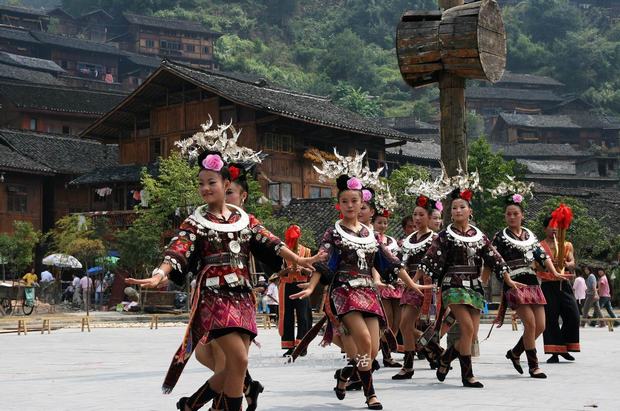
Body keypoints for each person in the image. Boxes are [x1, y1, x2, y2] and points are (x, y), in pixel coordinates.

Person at [125, 120, 324, 411]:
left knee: (235, 366)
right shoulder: (195, 222)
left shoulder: (245, 220)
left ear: (226, 184)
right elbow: (178, 249)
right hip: (213, 297)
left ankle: (199, 405)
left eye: (212, 182)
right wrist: (160, 274)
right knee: (239, 360)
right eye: (201, 183)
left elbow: (271, 243)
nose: (205, 188)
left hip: (243, 295)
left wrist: (299, 259)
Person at [291, 151, 425, 410]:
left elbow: (390, 262)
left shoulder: (369, 234)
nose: (351, 206)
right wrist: (311, 286)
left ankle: (345, 375)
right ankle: (370, 394)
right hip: (344, 292)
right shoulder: (333, 231)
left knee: (372, 350)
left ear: (363, 204)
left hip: (368, 292)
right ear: (338, 204)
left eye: (356, 202)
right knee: (363, 339)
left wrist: (412, 284)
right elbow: (323, 258)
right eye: (346, 201)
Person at [418, 175, 510, 388]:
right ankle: (467, 375)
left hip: (475, 285)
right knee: (467, 328)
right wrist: (413, 280)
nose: (457, 211)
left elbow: (494, 257)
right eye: (454, 208)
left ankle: (446, 357)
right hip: (453, 284)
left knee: (473, 333)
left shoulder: (479, 235)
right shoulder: (444, 236)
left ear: (470, 211)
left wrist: (508, 278)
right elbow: (430, 258)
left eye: (462, 207)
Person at [490, 186, 564, 379]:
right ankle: (534, 366)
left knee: (541, 326)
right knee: (530, 324)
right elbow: (496, 261)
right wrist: (506, 279)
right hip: (514, 283)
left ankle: (515, 353)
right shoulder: (500, 237)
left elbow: (541, 255)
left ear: (522, 215)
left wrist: (555, 271)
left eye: (515, 213)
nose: (512, 217)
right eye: (508, 214)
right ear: (505, 216)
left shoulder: (530, 236)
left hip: (532, 282)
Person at [394, 191, 443, 380]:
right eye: (415, 214)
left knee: (408, 323)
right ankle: (433, 349)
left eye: (421, 215)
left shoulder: (436, 239)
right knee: (404, 324)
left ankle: (412, 363)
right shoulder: (408, 240)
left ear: (430, 217)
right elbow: (401, 261)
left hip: (426, 284)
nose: (417, 218)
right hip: (410, 283)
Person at [538, 214, 580, 363]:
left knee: (574, 316)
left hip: (564, 284)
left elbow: (572, 262)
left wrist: (566, 264)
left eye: (557, 226)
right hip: (548, 285)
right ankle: (554, 352)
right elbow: (536, 266)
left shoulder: (567, 244)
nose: (554, 229)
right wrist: (548, 265)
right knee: (550, 319)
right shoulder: (540, 246)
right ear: (545, 228)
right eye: (551, 226)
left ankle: (563, 347)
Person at [372, 204, 404, 368]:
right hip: (382, 285)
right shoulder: (370, 239)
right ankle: (385, 355)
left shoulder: (392, 242)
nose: (382, 225)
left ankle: (389, 351)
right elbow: (374, 264)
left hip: (396, 285)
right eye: (379, 222)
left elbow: (397, 263)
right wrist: (378, 281)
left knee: (397, 321)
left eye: (385, 222)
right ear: (373, 223)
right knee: (387, 319)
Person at [278, 224, 313, 356]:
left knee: (303, 316)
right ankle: (289, 345)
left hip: (301, 285)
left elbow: (312, 272)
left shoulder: (306, 251)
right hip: (286, 286)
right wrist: (286, 271)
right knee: (287, 316)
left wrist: (302, 270)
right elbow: (276, 273)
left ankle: (302, 345)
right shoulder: (282, 252)